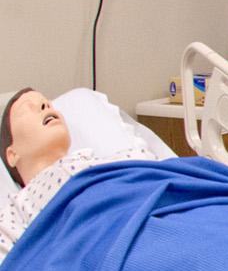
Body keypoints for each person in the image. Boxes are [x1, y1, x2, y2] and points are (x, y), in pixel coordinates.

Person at [1, 87, 154, 260]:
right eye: (27, 108)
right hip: (111, 252)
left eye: (47, 103)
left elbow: (162, 175)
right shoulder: (19, 207)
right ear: (12, 155)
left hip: (151, 225)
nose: (45, 105)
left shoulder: (111, 161)